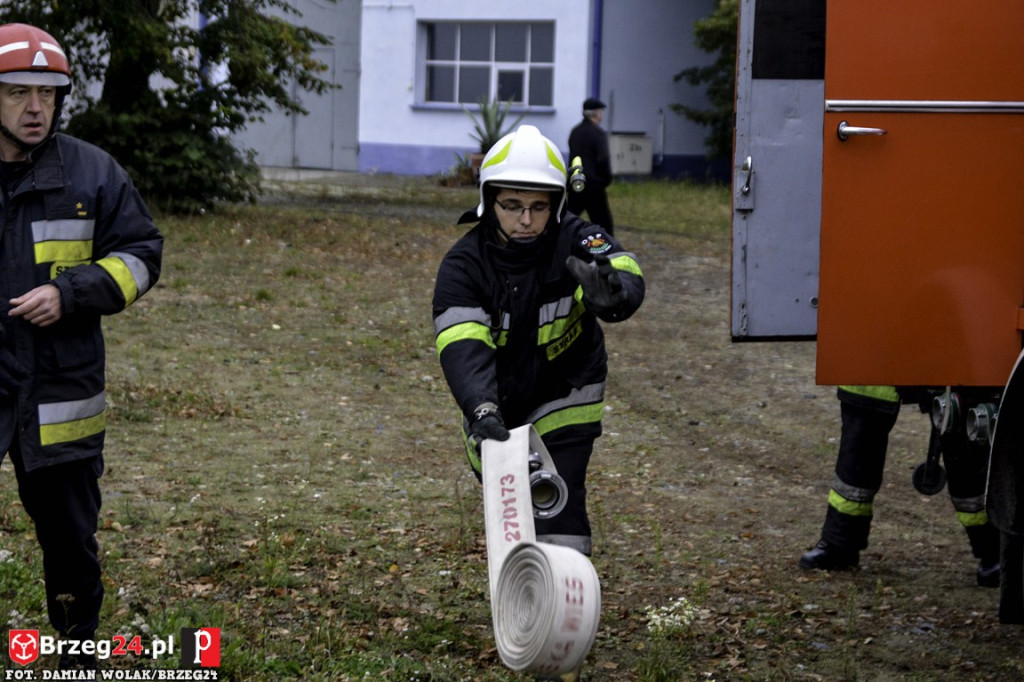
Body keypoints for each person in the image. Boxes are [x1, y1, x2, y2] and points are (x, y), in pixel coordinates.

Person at [0, 23, 163, 669]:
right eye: (18, 93)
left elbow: (142, 254)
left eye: (47, 93)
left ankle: (76, 653)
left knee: (69, 540)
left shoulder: (92, 172)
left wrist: (72, 292)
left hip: (59, 389)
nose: (35, 108)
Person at [433, 123, 644, 560]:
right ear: (489, 201)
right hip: (496, 403)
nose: (526, 220)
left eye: (538, 207)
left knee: (559, 501)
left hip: (568, 391)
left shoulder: (577, 237)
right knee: (510, 505)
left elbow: (622, 266)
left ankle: (566, 587)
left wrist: (616, 294)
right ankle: (521, 590)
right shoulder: (463, 266)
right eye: (512, 206)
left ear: (557, 204)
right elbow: (463, 348)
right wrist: (482, 409)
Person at [800, 386, 1001, 587]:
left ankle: (995, 552)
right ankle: (839, 543)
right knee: (857, 450)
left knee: (967, 447)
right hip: (873, 373)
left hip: (956, 373)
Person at [567, 97, 615, 234]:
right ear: (597, 113)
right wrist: (606, 179)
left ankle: (557, 241)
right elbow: (603, 159)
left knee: (568, 218)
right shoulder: (598, 133)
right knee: (603, 223)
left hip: (576, 180)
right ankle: (607, 246)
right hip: (593, 185)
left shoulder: (575, 132)